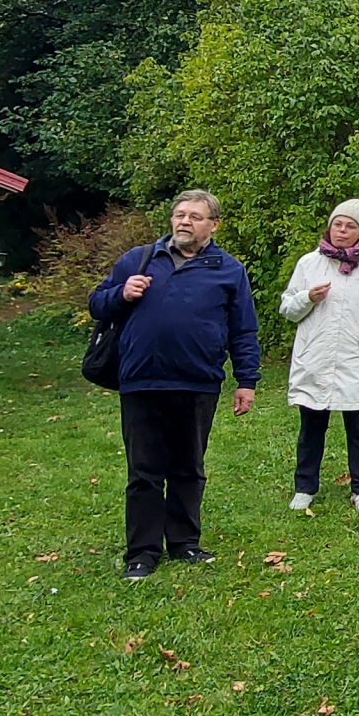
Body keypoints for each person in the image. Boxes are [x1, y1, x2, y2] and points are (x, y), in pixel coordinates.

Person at [90, 189, 260, 580]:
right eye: (180, 214)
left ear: (214, 225)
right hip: (143, 380)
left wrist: (246, 380)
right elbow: (97, 303)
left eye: (195, 216)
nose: (184, 221)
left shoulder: (228, 269)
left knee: (188, 467)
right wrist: (121, 293)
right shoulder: (139, 259)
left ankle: (184, 543)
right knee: (144, 471)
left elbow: (243, 330)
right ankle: (142, 553)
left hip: (198, 382)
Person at [280, 200, 359, 515]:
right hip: (315, 359)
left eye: (350, 226)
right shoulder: (309, 263)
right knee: (311, 427)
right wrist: (308, 298)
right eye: (338, 224)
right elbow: (288, 308)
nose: (342, 231)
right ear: (329, 227)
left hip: (356, 359)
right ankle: (305, 487)